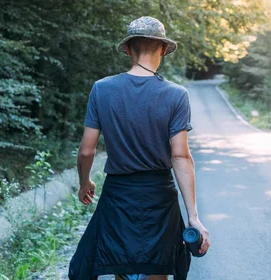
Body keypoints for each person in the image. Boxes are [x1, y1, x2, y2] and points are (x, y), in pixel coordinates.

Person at [68, 16, 210, 280]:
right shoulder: (176, 95)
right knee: (157, 267)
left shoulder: (102, 89)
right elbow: (180, 156)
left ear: (130, 50)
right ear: (164, 49)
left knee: (121, 263)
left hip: (118, 195)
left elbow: (86, 150)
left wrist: (84, 182)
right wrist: (193, 217)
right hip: (159, 197)